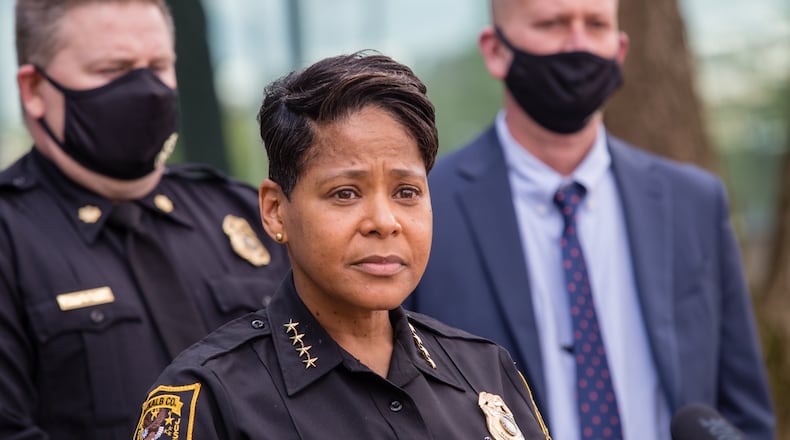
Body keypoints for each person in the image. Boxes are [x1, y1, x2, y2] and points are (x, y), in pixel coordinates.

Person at [131, 51, 551, 440]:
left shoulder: (484, 373)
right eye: (345, 193)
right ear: (275, 210)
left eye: (406, 192)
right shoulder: (211, 399)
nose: (384, 222)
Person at [405, 0, 776, 439]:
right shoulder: (428, 208)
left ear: (620, 49)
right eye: (552, 23)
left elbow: (745, 414)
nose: (578, 43)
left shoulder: (694, 203)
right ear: (495, 50)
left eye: (596, 24)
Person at [0, 1, 290, 438]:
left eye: (157, 66)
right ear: (35, 89)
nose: (147, 90)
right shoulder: (10, 239)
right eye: (113, 70)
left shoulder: (242, 213)